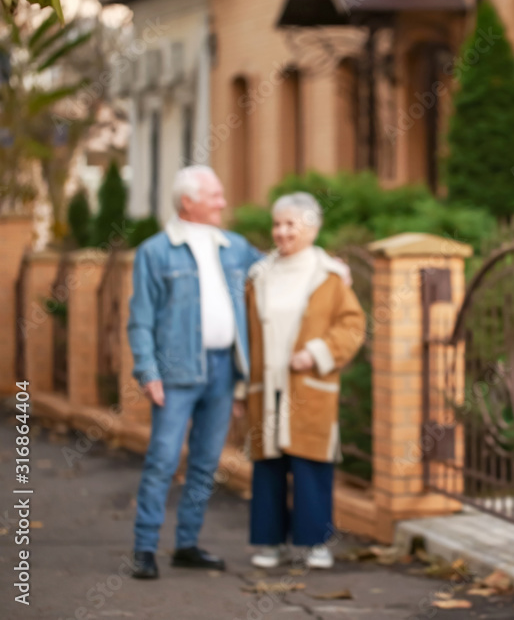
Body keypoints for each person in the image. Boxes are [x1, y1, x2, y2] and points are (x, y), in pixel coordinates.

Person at [127, 166, 263, 579]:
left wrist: (330, 267)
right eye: (215, 196)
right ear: (188, 202)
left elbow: (276, 267)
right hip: (176, 373)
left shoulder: (234, 247)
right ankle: (145, 549)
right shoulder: (156, 251)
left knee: (205, 463)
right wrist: (148, 371)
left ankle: (186, 544)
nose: (224, 202)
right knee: (163, 460)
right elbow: (141, 319)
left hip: (223, 371)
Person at [240, 192, 365, 569]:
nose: (281, 232)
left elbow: (353, 326)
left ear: (312, 227)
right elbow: (245, 333)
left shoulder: (328, 276)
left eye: (291, 224)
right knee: (269, 466)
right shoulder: (259, 275)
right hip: (267, 385)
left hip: (308, 384)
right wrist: (239, 385)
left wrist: (316, 352)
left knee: (311, 464)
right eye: (277, 224)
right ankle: (269, 544)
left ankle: (315, 544)